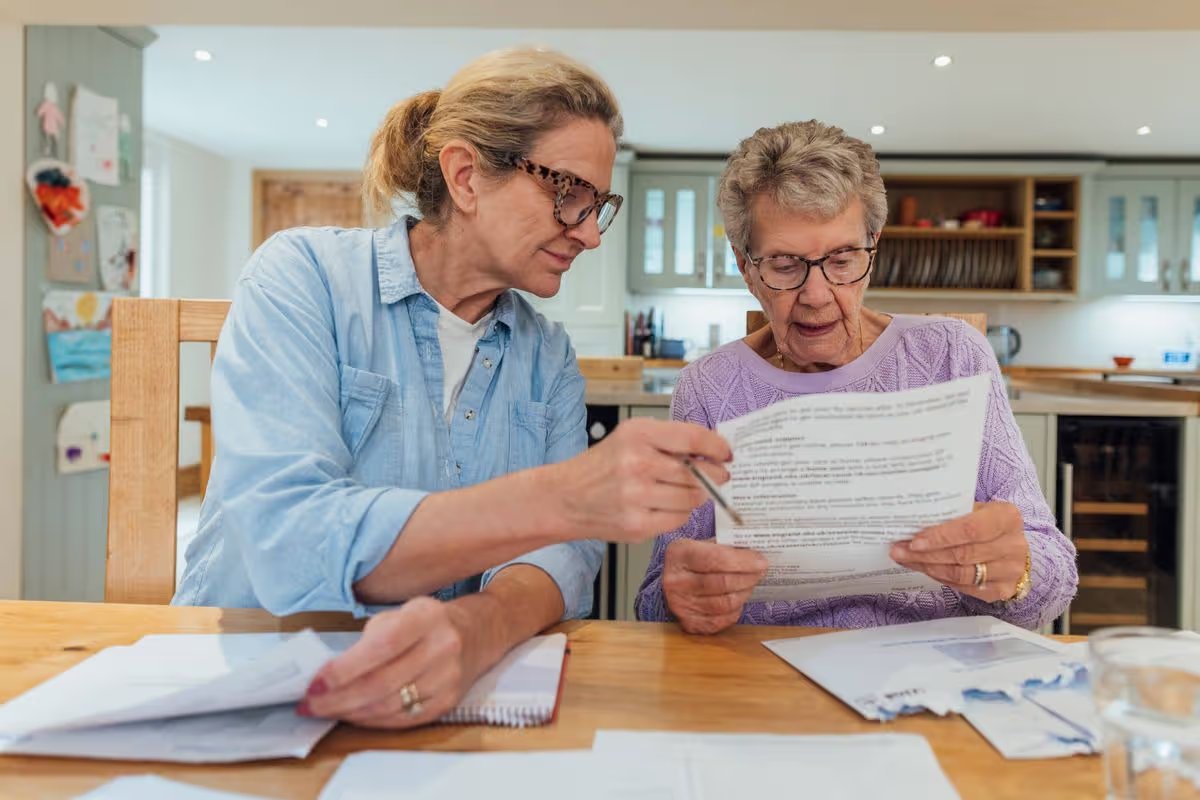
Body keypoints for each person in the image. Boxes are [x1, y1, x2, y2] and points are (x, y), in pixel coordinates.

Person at [173, 48, 730, 728]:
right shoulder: (304, 277)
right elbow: (290, 541)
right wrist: (571, 495)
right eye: (568, 194)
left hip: (437, 708)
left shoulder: (546, 355)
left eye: (597, 204)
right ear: (466, 176)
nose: (588, 233)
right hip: (248, 692)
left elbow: (560, 559)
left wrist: (476, 630)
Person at [635, 120, 1077, 634]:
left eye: (842, 260)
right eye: (783, 264)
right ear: (745, 266)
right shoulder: (708, 389)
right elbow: (653, 607)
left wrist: (1014, 572)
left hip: (930, 669)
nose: (817, 294)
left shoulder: (952, 358)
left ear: (873, 247)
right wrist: (683, 597)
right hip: (765, 672)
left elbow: (1052, 586)